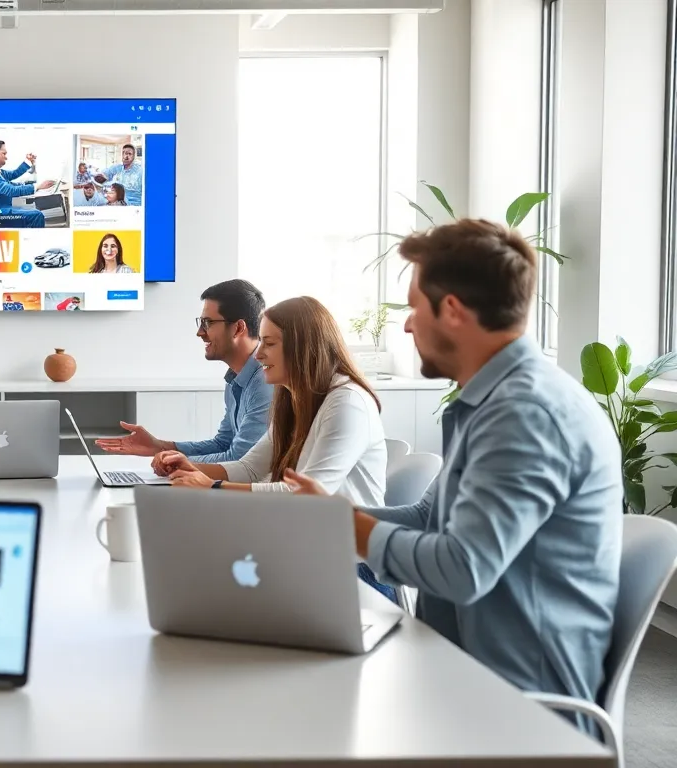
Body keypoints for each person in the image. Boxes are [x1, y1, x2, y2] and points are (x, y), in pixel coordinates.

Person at [287, 219, 622, 724]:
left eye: (412, 308)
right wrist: (331, 516)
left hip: (515, 710)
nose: (405, 325)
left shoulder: (526, 415)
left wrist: (344, 526)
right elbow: (429, 515)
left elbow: (464, 569)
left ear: (452, 311)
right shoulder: (493, 402)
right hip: (457, 673)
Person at [152, 296, 392, 601]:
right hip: (303, 556)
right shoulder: (293, 398)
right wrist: (188, 466)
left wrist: (211, 487)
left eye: (269, 343)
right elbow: (250, 469)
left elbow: (306, 496)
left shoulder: (347, 402)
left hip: (352, 570)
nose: (259, 354)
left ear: (303, 346)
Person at [98, 280, 272, 464]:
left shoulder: (265, 382)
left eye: (207, 323)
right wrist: (159, 447)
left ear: (238, 328)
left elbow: (240, 461)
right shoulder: (235, 380)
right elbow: (223, 444)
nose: (200, 332)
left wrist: (177, 461)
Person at [0, 139, 55, 228]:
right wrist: (37, 187)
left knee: (33, 211)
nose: (6, 157)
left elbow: (14, 174)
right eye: (4, 154)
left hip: (2, 210)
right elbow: (11, 190)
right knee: (36, 215)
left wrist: (28, 161)